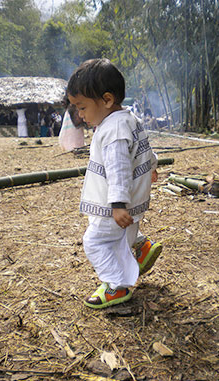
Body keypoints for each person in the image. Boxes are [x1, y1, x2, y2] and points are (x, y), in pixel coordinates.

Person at [67, 58, 162, 309]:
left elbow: (119, 169)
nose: (80, 114)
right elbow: (145, 146)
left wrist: (118, 203)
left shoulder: (112, 131)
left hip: (116, 204)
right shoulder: (127, 119)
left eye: (83, 107)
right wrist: (151, 166)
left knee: (95, 241)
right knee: (123, 232)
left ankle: (115, 286)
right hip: (132, 202)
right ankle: (141, 247)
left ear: (107, 100)